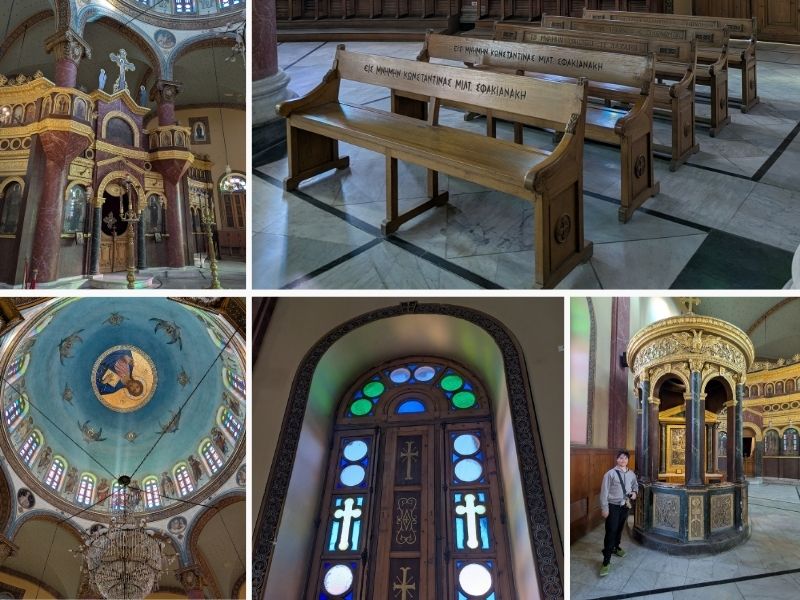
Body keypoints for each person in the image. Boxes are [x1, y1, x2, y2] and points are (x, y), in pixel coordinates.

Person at [599, 449, 638, 576]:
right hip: (613, 506)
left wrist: (634, 493)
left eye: (625, 458)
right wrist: (605, 508)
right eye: (620, 458)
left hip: (625, 505)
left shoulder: (631, 473)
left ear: (628, 460)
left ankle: (616, 547)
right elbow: (604, 492)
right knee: (611, 531)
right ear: (617, 459)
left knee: (620, 528)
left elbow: (635, 485)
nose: (623, 460)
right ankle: (606, 561)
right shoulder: (610, 474)